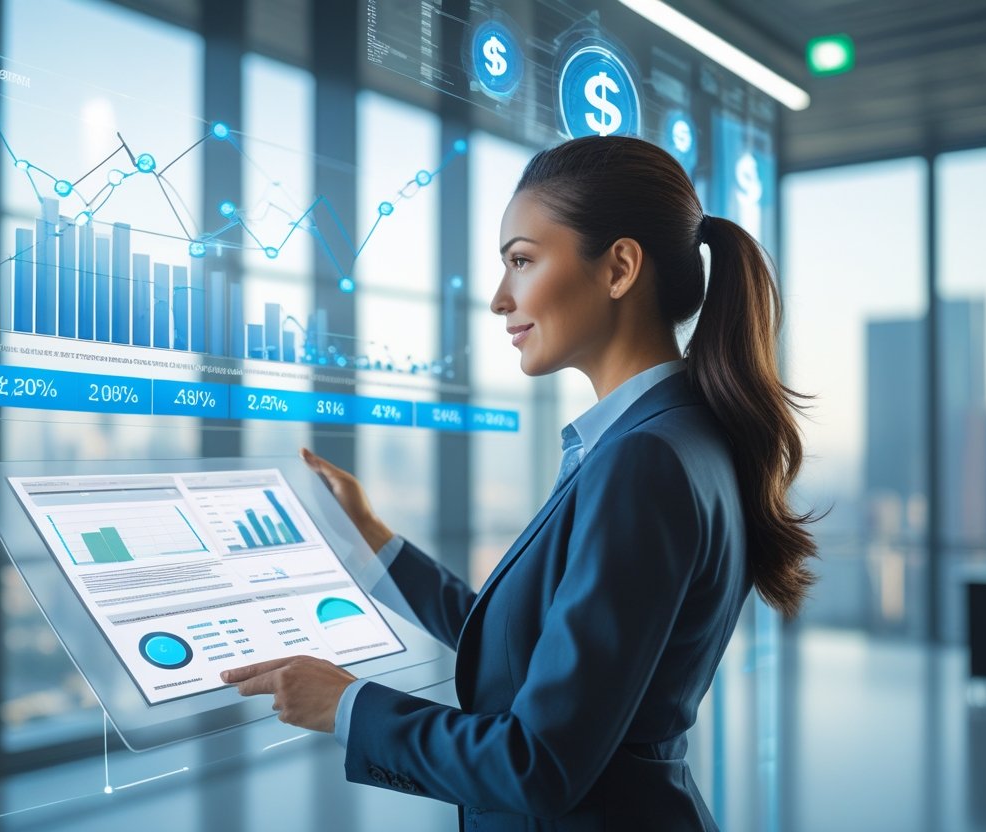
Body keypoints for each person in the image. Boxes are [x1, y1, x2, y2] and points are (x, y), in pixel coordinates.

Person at [220, 135, 818, 831]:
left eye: (522, 261)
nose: (502, 298)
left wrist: (347, 704)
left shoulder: (641, 460)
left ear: (620, 267)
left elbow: (538, 765)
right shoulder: (675, 435)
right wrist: (374, 540)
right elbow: (531, 644)